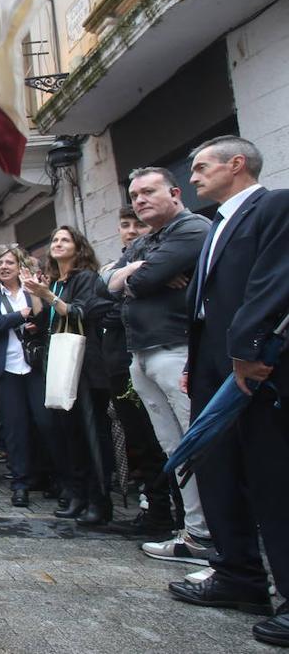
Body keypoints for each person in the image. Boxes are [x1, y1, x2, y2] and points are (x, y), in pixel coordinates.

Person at [167, 136, 289, 645]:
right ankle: (237, 574)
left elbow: (273, 282)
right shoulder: (216, 225)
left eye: (200, 168)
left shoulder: (273, 207)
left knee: (271, 476)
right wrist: (199, 364)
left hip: (253, 364)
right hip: (215, 364)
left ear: (236, 165)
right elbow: (205, 305)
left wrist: (247, 348)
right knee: (219, 469)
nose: (192, 177)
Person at [110, 167, 213, 563]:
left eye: (149, 192)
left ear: (174, 192)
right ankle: (196, 534)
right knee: (175, 448)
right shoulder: (148, 240)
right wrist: (134, 270)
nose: (140, 201)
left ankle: (216, 538)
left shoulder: (192, 228)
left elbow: (140, 281)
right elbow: (108, 282)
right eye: (135, 195)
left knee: (197, 444)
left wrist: (135, 274)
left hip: (178, 350)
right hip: (142, 354)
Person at [24, 227, 113, 524]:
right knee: (68, 433)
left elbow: (79, 313)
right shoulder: (57, 283)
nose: (57, 243)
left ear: (79, 248)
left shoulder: (85, 278)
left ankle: (99, 501)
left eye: (65, 240)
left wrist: (46, 294)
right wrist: (38, 294)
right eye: (54, 240)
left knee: (90, 434)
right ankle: (77, 494)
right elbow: (43, 321)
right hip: (59, 362)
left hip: (84, 365)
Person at [100, 208, 171, 534]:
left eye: (138, 224)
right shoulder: (116, 266)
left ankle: (174, 514)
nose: (131, 231)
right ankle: (155, 511)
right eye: (125, 225)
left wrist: (124, 290)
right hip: (120, 361)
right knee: (140, 441)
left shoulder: (167, 262)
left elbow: (118, 306)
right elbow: (102, 302)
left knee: (164, 439)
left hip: (153, 357)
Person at [0, 245, 63, 507]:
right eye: (0, 263)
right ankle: (20, 483)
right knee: (14, 428)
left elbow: (46, 318)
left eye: (10, 263)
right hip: (7, 370)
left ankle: (54, 478)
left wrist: (33, 310)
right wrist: (18, 316)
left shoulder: (34, 290)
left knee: (46, 422)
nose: (4, 267)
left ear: (20, 266)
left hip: (35, 367)